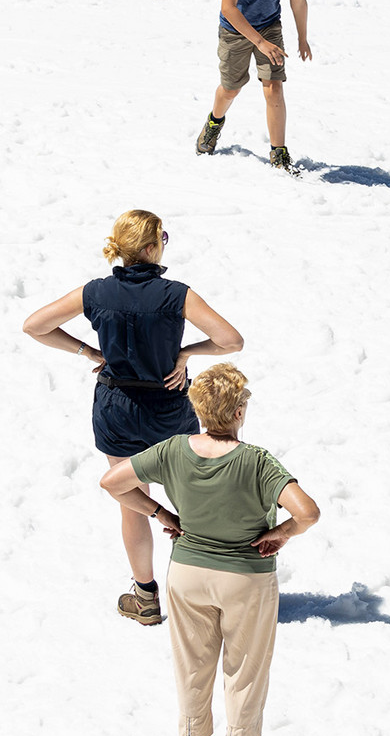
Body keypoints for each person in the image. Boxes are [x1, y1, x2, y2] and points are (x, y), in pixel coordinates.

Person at [100, 363, 320, 736]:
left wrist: (163, 515)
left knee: (192, 665)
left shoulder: (173, 449)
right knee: (245, 671)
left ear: (198, 408)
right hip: (245, 580)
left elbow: (112, 482)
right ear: (238, 412)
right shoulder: (257, 461)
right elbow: (308, 512)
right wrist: (281, 533)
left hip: (187, 575)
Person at [22, 210, 244, 624]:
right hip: (168, 406)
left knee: (132, 500)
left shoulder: (95, 291)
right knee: (194, 499)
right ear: (149, 247)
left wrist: (88, 353)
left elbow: (34, 326)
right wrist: (186, 352)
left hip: (116, 408)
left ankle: (145, 598)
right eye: (163, 236)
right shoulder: (176, 294)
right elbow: (231, 341)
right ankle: (207, 594)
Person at [196, 0, 312, 173]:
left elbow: (298, 0)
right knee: (230, 89)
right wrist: (259, 43)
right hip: (235, 30)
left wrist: (303, 38)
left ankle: (278, 152)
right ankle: (214, 124)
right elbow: (229, 8)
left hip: (269, 26)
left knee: (274, 87)